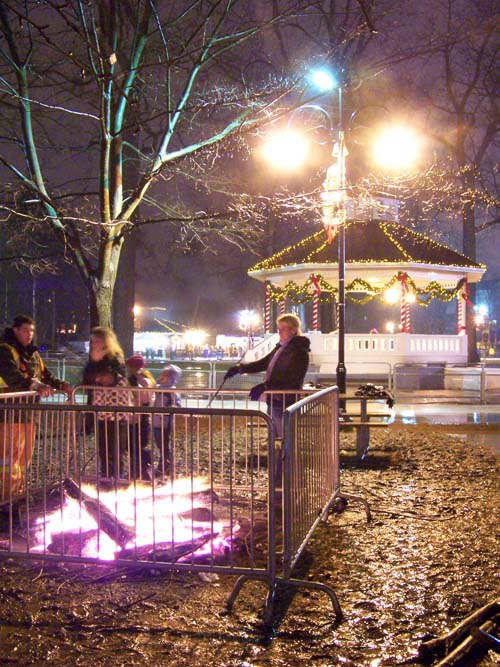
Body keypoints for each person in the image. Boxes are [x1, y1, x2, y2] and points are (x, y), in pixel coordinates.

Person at [0, 314, 72, 498]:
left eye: (31, 330)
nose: (29, 334)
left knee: (23, 459)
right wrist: (35, 386)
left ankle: (18, 493)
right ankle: (7, 499)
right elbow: (13, 377)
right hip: (9, 413)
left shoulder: (33, 354)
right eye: (25, 330)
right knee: (9, 460)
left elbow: (45, 375)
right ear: (15, 330)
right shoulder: (5, 351)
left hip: (28, 415)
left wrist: (60, 384)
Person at [224, 313, 310, 438]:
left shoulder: (299, 352)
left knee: (283, 435)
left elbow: (292, 377)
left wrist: (266, 386)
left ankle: (285, 456)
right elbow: (264, 363)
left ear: (293, 330)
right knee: (274, 433)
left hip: (285, 399)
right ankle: (278, 455)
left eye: (283, 329)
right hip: (275, 398)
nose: (279, 332)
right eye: (278, 329)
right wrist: (240, 368)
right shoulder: (281, 348)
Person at [82, 327, 132, 479]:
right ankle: (105, 476)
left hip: (117, 408)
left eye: (98, 340)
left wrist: (104, 377)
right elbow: (87, 378)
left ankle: (116, 477)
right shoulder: (93, 359)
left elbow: (116, 376)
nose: (95, 344)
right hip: (101, 408)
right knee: (103, 448)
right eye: (93, 341)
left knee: (116, 447)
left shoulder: (115, 357)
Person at [126, 354, 156, 480]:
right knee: (132, 446)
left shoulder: (144, 381)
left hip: (141, 418)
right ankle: (137, 470)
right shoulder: (139, 379)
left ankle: (143, 469)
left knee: (137, 446)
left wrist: (134, 387)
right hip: (135, 418)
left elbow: (144, 398)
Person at [152, 364, 182, 477]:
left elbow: (177, 405)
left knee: (164, 445)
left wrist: (171, 408)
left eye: (165, 375)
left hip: (165, 423)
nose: (162, 376)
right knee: (160, 445)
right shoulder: (159, 388)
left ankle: (165, 466)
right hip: (157, 421)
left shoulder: (172, 391)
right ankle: (165, 466)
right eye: (163, 374)